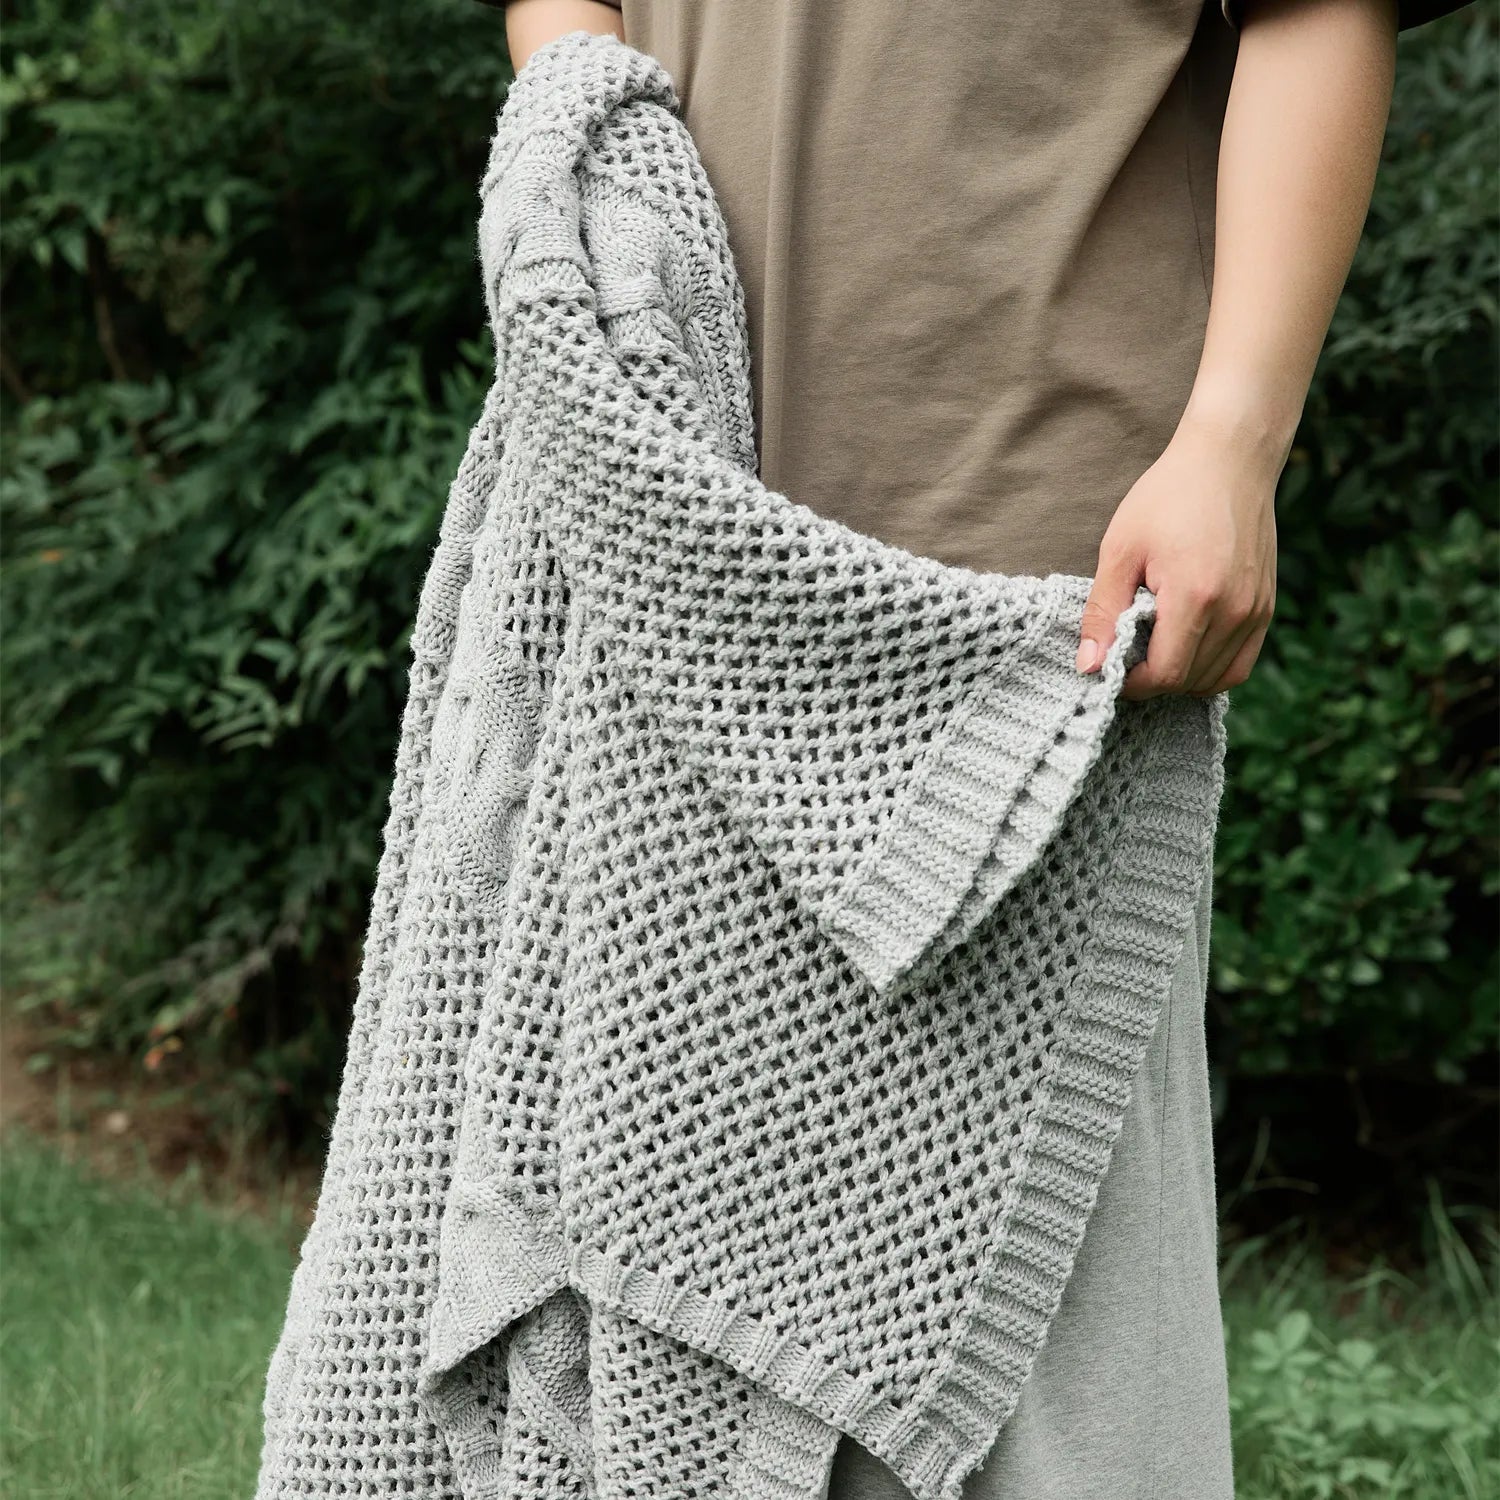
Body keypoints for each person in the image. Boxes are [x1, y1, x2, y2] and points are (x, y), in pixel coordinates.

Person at [474, 3, 1471, 1495]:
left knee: (1053, 1402)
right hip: (678, 558)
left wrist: (1233, 444)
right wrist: (583, 148)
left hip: (1030, 616)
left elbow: (1318, 12)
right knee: (659, 1301)